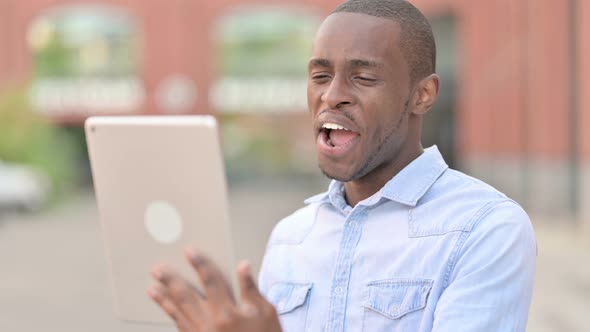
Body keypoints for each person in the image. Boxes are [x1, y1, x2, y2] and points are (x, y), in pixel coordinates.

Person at [147, 0, 537, 331]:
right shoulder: (290, 237)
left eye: (363, 76)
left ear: (422, 94)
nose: (331, 96)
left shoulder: (485, 228)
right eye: (320, 76)